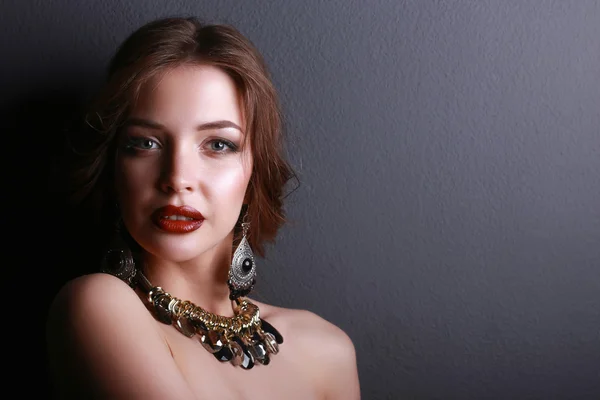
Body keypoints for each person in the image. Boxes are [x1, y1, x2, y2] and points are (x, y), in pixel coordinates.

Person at [45, 16, 361, 400]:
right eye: (145, 143)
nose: (178, 178)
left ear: (254, 173)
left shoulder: (327, 350)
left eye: (218, 145)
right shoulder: (96, 307)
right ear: (113, 167)